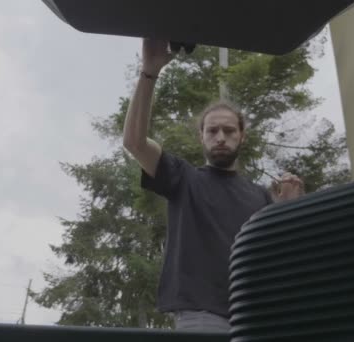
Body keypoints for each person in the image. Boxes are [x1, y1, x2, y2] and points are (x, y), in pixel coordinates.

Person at [122, 38, 304, 332]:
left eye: (229, 130)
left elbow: (285, 256)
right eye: (212, 130)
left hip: (260, 319)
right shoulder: (183, 178)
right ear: (201, 138)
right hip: (202, 316)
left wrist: (289, 208)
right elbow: (134, 142)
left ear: (242, 137)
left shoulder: (260, 196)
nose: (221, 137)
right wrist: (149, 72)